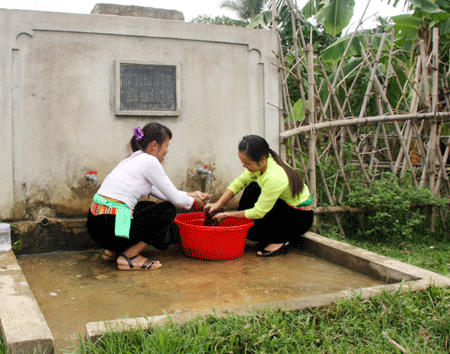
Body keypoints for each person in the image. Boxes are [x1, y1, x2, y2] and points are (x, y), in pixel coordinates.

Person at [87, 123, 209, 271]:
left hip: (96, 226)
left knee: (144, 207)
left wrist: (193, 194)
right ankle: (129, 256)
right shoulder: (149, 161)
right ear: (154, 146)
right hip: (110, 228)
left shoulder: (131, 159)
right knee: (168, 210)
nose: (167, 151)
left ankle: (113, 250)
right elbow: (175, 199)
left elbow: (163, 192)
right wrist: (194, 203)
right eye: (166, 145)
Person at [205, 135, 313, 257]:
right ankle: (266, 235)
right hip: (284, 208)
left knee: (254, 212)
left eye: (247, 163)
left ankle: (280, 240)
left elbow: (258, 212)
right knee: (252, 189)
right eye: (242, 162)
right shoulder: (264, 163)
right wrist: (217, 203)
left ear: (261, 160)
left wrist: (226, 215)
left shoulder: (274, 176)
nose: (244, 166)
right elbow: (239, 183)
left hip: (298, 219)